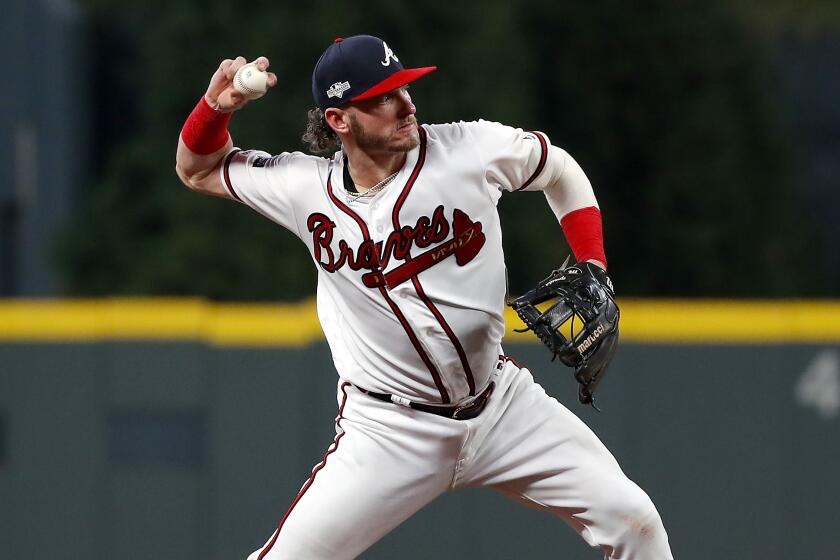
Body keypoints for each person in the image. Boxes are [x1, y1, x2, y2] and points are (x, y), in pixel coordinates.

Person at [175, 34, 673, 560]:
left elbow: (559, 170)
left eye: (404, 87)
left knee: (635, 522)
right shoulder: (304, 189)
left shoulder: (469, 149)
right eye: (383, 97)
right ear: (339, 120)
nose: (406, 104)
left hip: (502, 406)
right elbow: (199, 168)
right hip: (390, 430)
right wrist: (214, 109)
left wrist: (593, 262)